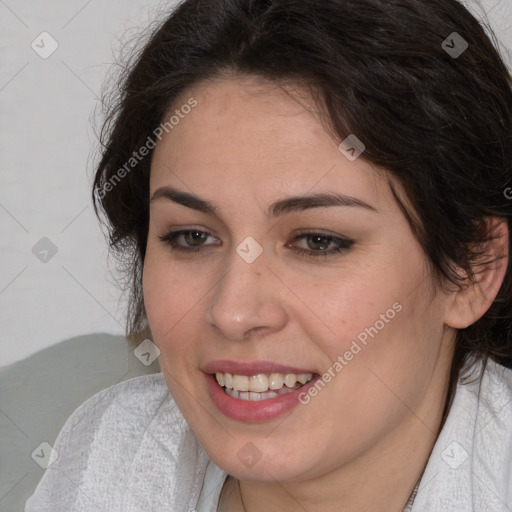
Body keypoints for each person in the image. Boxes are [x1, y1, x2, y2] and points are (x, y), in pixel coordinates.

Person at [25, 0, 512, 510]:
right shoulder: (110, 455)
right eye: (192, 236)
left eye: (318, 241)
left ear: (471, 269)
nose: (233, 312)